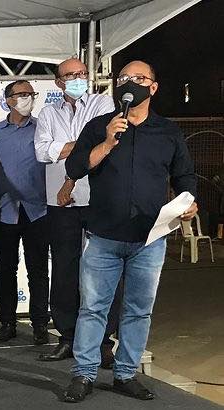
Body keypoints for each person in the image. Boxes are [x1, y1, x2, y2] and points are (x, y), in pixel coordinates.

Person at [62, 61, 198, 403]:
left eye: (139, 78)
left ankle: (125, 373)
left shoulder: (168, 132)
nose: (130, 83)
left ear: (153, 87)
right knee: (93, 308)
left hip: (149, 239)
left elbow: (184, 176)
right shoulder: (99, 127)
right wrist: (108, 142)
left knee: (138, 310)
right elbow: (74, 167)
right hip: (103, 237)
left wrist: (189, 202)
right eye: (124, 78)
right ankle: (84, 373)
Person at [33, 57, 122, 366]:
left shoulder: (102, 103)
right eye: (71, 75)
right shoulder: (48, 112)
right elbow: (42, 152)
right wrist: (86, 145)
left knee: (103, 270)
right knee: (64, 270)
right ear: (59, 82)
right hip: (60, 202)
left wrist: (65, 146)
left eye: (82, 73)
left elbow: (106, 141)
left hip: (98, 197)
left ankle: (103, 340)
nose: (78, 78)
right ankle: (68, 337)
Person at [0, 80, 50, 345]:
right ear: (8, 100)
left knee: (38, 270)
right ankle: (7, 323)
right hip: (3, 213)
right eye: (21, 94)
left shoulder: (44, 128)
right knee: (6, 269)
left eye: (31, 94)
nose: (27, 98)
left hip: (38, 212)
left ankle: (40, 325)